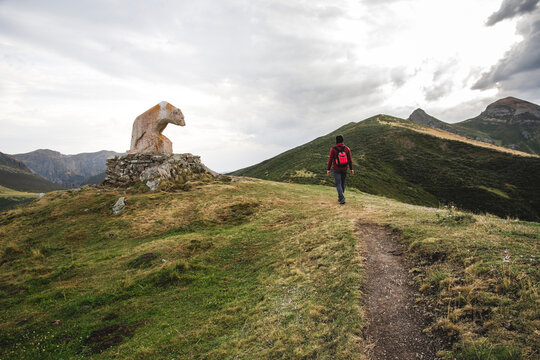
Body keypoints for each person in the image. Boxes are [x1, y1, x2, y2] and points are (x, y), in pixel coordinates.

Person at [326, 135, 354, 204]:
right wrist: (351, 169)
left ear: (336, 140)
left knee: (338, 184)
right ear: (342, 140)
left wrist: (328, 169)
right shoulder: (347, 149)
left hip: (336, 169)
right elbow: (350, 160)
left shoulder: (333, 149)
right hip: (344, 168)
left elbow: (330, 159)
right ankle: (341, 197)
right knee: (342, 183)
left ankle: (341, 198)